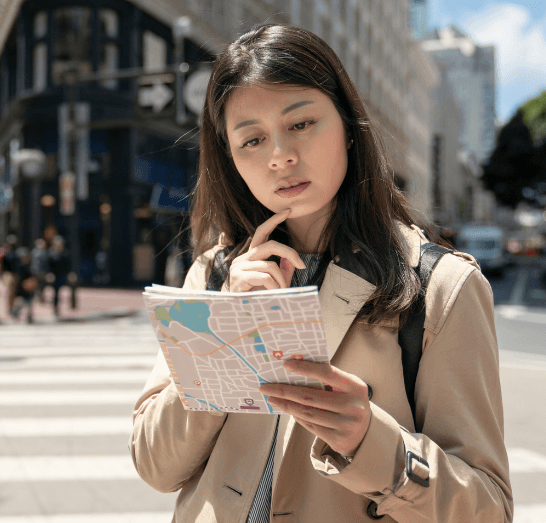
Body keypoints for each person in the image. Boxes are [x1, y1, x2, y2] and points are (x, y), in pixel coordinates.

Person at [129, 24, 511, 523]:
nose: (280, 156)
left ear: (349, 127)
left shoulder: (440, 287)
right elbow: (155, 466)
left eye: (302, 124)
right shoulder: (216, 272)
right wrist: (222, 337)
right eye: (251, 140)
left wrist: (372, 443)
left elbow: (488, 509)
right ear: (230, 159)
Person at [9, 247, 36, 324]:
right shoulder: (19, 267)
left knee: (29, 302)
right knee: (20, 301)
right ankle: (15, 312)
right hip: (21, 286)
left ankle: (29, 316)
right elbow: (17, 278)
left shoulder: (30, 266)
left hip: (29, 287)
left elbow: (33, 277)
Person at [47, 236, 72, 317]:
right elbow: (48, 265)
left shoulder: (65, 253)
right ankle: (55, 308)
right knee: (56, 292)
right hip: (54, 276)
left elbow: (68, 265)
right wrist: (49, 274)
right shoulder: (51, 254)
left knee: (71, 288)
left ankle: (73, 305)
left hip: (62, 275)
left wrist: (70, 274)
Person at [30, 238, 50, 303]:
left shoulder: (43, 252)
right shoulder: (37, 252)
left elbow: (46, 263)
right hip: (37, 272)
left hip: (40, 272)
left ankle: (39, 295)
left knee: (41, 285)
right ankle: (37, 295)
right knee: (37, 285)